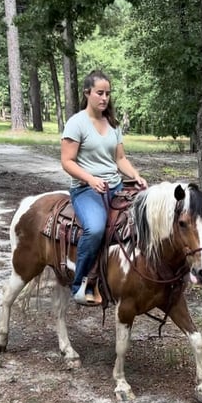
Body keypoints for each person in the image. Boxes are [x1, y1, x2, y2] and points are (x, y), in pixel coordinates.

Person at [61, 70, 147, 305]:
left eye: (107, 93)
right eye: (100, 93)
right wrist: (90, 179)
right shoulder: (76, 123)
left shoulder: (112, 124)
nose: (104, 98)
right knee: (96, 228)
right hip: (86, 189)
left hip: (115, 186)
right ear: (87, 93)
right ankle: (80, 286)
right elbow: (67, 161)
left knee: (144, 218)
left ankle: (134, 278)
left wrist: (135, 175)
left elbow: (120, 159)